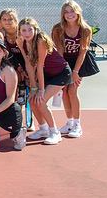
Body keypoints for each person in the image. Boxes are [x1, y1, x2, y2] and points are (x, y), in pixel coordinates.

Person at [18, 17, 72, 145]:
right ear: (19, 31)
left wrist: (40, 90)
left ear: (36, 29)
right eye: (23, 30)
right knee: (32, 100)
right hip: (47, 74)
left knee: (40, 101)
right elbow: (28, 64)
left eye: (30, 30)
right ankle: (43, 129)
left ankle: (54, 132)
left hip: (61, 73)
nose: (27, 33)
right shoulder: (21, 41)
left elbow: (40, 66)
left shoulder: (41, 40)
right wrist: (33, 87)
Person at [51, 0, 95, 138]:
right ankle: (69, 123)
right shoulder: (58, 29)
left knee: (72, 91)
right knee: (64, 92)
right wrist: (64, 71)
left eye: (72, 11)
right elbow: (60, 51)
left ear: (78, 12)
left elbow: (83, 52)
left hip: (79, 63)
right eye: (66, 12)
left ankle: (77, 124)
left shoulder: (85, 29)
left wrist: (75, 72)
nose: (69, 14)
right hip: (64, 62)